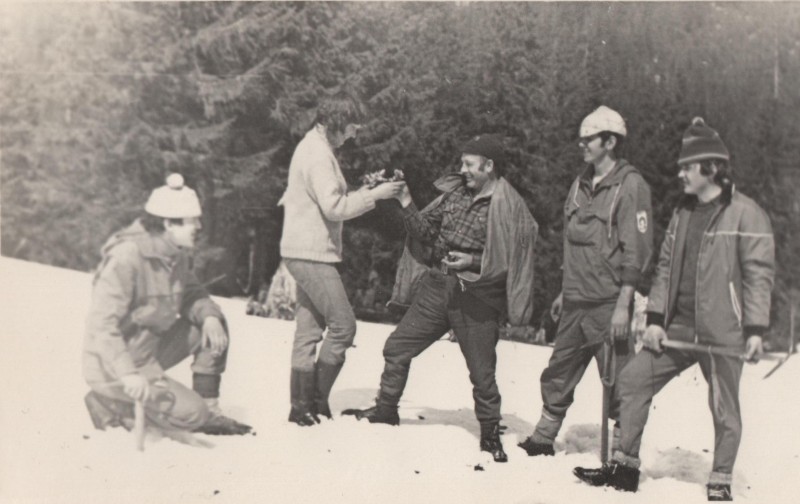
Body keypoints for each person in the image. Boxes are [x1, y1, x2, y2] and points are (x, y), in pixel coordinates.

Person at [574, 117, 775, 502]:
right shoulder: (683, 212)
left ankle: (719, 478)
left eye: (687, 166)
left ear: (711, 168)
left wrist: (754, 329)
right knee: (632, 380)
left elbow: (758, 276)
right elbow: (665, 267)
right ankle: (624, 468)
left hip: (722, 334)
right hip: (677, 330)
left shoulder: (746, 214)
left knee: (723, 408)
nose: (680, 173)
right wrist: (654, 319)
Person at [342, 134, 539, 463]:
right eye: (461, 163)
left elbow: (514, 258)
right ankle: (386, 409)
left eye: (469, 164)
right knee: (397, 348)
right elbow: (426, 234)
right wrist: (406, 199)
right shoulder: (455, 195)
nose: (462, 170)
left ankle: (490, 433)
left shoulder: (509, 206)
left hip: (477, 298)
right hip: (439, 288)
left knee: (482, 374)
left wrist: (473, 262)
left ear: (489, 166)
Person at [518, 106, 654, 457]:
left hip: (610, 304)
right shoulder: (579, 185)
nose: (582, 144)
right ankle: (543, 438)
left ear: (610, 142)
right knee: (558, 371)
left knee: (622, 382)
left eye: (588, 138)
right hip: (576, 300)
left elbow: (636, 251)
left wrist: (624, 306)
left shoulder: (630, 185)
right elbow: (572, 242)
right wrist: (565, 291)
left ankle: (624, 459)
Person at [83, 173, 252, 437]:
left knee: (213, 322)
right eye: (191, 221)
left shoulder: (175, 255)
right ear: (167, 224)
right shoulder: (127, 256)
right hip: (112, 364)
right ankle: (108, 401)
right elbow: (101, 326)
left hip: (147, 353)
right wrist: (127, 373)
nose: (198, 226)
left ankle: (210, 411)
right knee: (191, 414)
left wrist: (209, 317)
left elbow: (191, 294)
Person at [279, 99, 405, 426]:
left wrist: (365, 188)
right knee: (344, 326)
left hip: (302, 250)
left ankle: (302, 408)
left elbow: (327, 198)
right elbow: (334, 207)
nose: (350, 137)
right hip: (311, 254)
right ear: (336, 122)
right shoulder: (318, 154)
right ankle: (315, 402)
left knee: (308, 331)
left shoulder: (313, 147)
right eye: (350, 129)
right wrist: (377, 196)